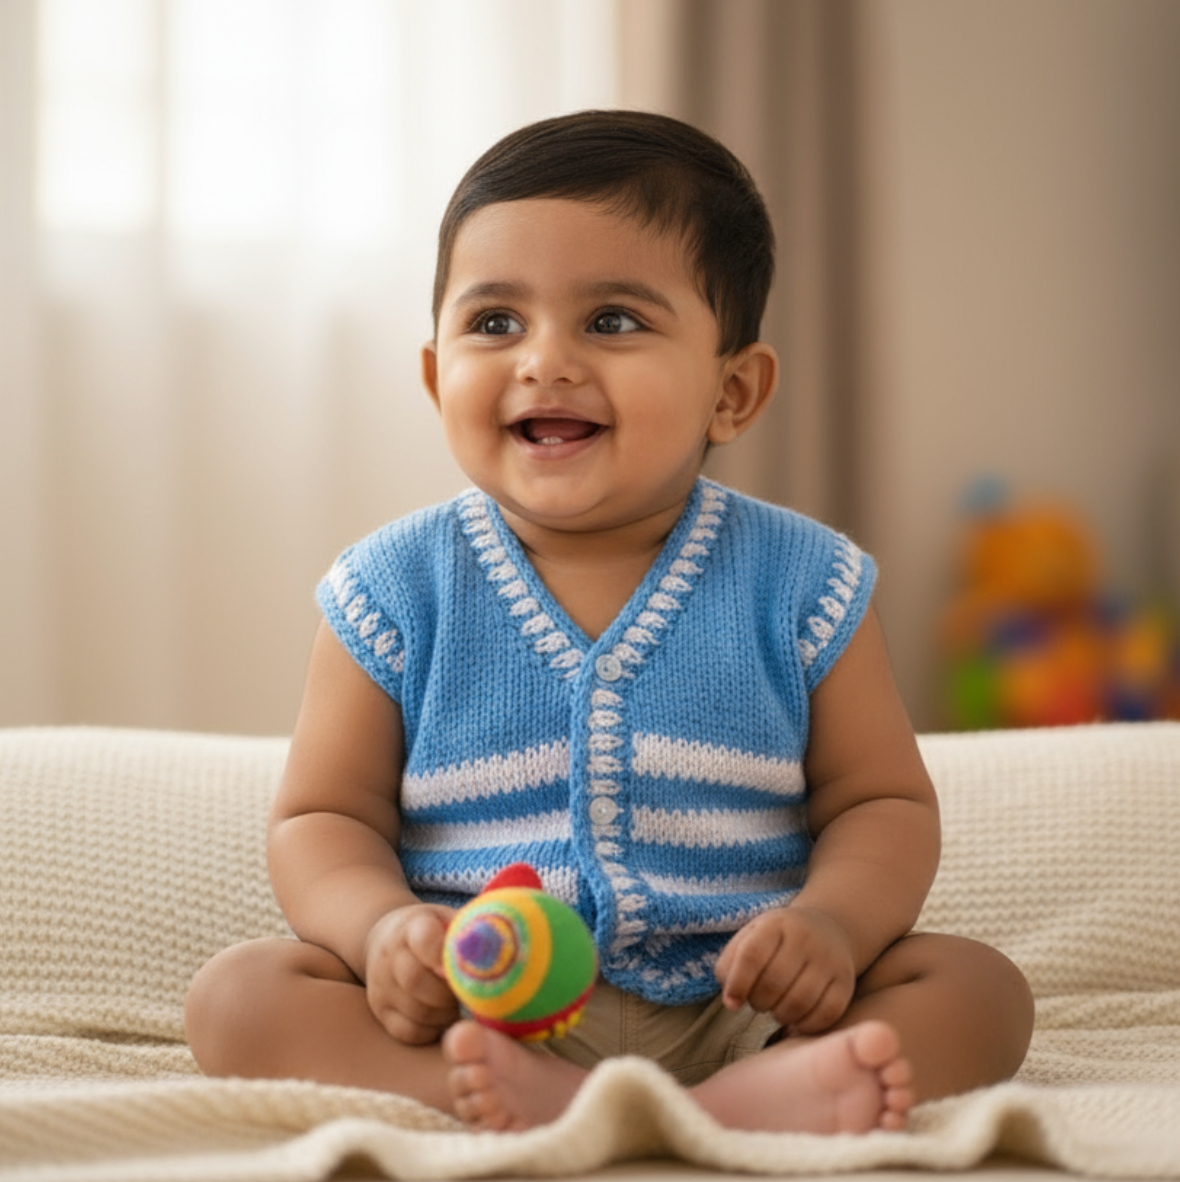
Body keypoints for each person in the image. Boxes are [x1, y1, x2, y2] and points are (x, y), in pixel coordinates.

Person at [185, 109, 1034, 1135]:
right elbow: (322, 819)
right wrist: (380, 933)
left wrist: (830, 929)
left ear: (733, 390)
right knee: (239, 996)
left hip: (742, 1004)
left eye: (612, 321)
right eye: (495, 322)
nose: (544, 360)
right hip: (483, 1006)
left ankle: (747, 1094)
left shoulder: (803, 582)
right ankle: (518, 1096)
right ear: (432, 375)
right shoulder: (393, 587)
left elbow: (881, 803)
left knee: (978, 986)